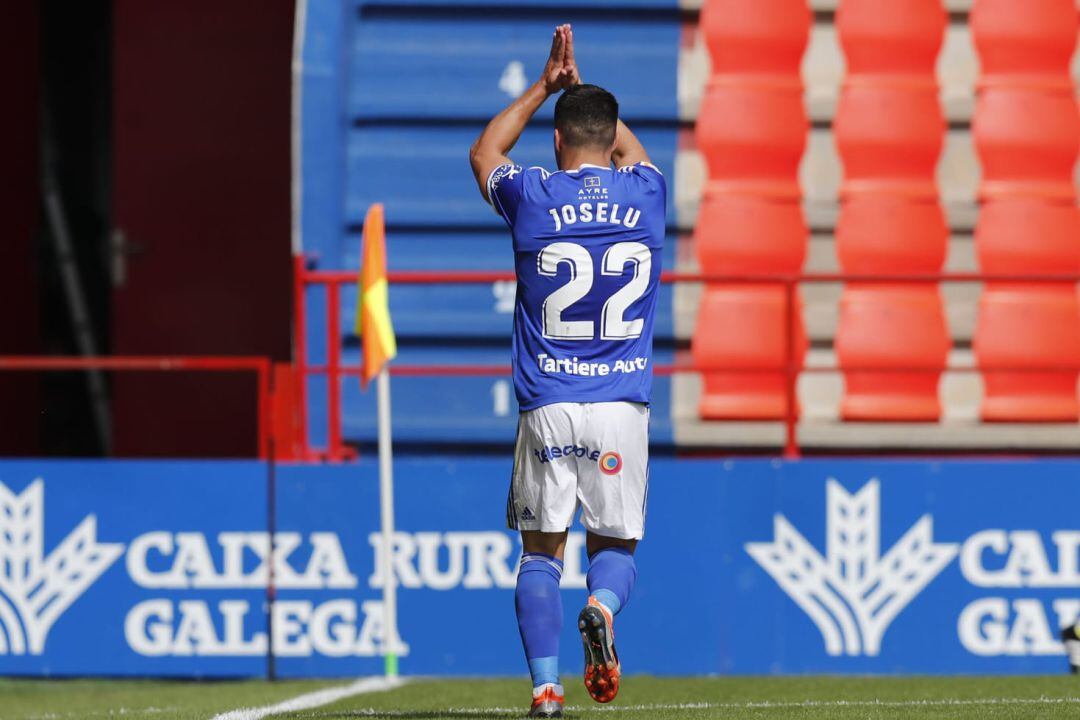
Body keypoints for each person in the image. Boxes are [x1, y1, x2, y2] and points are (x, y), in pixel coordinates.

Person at [469, 24, 665, 719]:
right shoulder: (647, 193)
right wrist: (581, 92)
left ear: (556, 143)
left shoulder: (531, 195)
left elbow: (484, 150)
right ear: (611, 141)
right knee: (614, 547)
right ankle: (604, 609)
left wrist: (545, 88)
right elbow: (628, 149)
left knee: (540, 554)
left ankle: (547, 692)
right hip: (620, 405)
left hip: (548, 402)